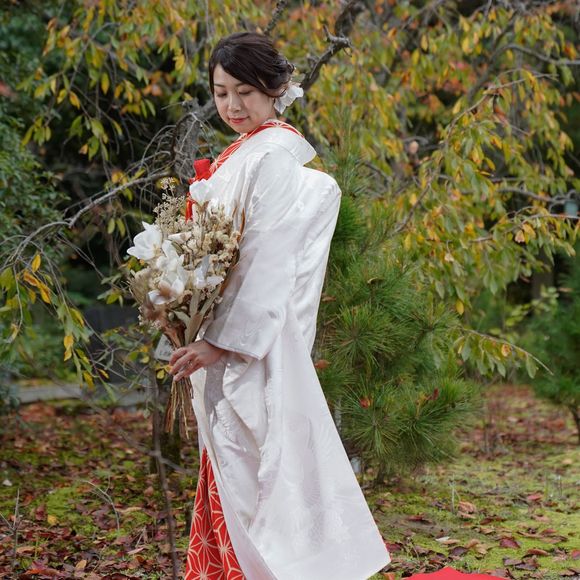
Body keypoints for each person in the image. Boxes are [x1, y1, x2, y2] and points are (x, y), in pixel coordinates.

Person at [169, 31, 391, 580]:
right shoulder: (246, 153)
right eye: (221, 93)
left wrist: (219, 342)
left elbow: (266, 261)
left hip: (250, 340)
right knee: (232, 463)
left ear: (275, 89)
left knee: (251, 468)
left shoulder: (270, 156)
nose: (232, 105)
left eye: (245, 92)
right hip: (226, 332)